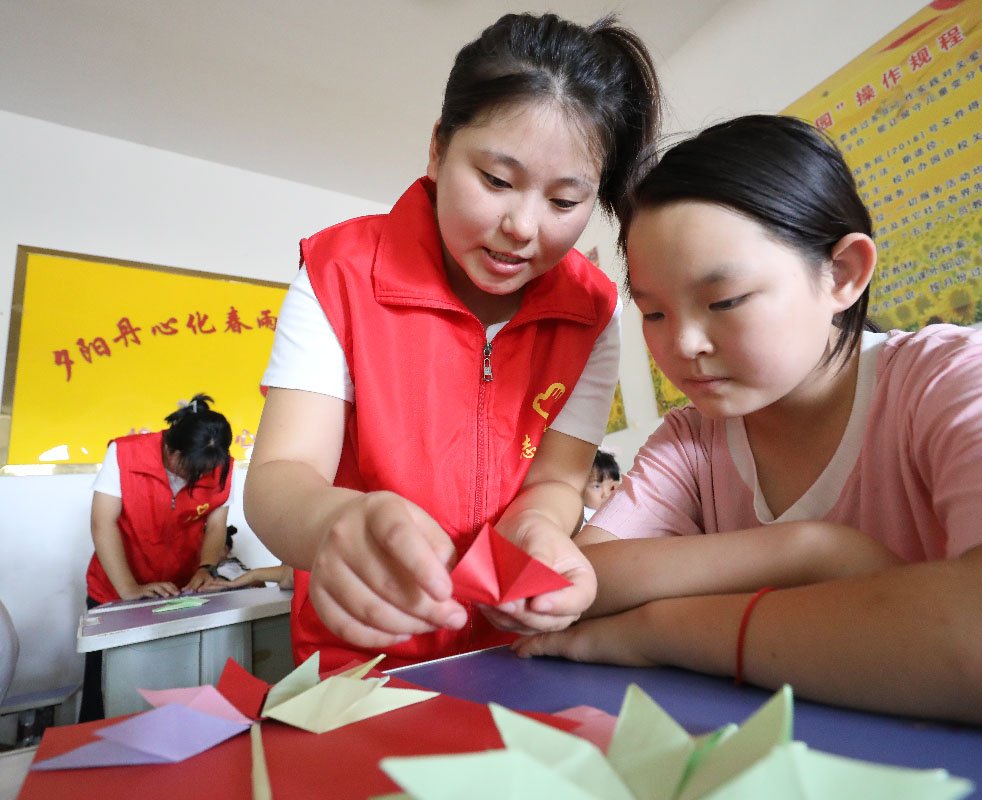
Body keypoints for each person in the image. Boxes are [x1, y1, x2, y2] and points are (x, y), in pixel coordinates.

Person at [514, 115, 982, 748]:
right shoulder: (694, 436)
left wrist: (662, 629)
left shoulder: (955, 379)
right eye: (654, 312)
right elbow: (576, 579)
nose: (683, 344)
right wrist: (812, 552)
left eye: (724, 302)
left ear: (842, 274)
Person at [245, 12, 661, 672]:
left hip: (519, 650)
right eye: (496, 181)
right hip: (360, 655)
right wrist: (335, 525)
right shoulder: (339, 273)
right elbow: (277, 480)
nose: (521, 226)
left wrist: (541, 530)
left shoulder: (591, 313)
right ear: (438, 148)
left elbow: (556, 479)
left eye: (563, 201)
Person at [81, 393, 234, 720]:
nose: (199, 475)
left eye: (207, 469)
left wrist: (206, 567)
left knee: (171, 683)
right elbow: (102, 521)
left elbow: (216, 524)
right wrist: (129, 590)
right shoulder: (125, 454)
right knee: (107, 691)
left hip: (176, 592)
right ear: (170, 449)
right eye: (191, 468)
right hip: (115, 590)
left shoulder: (219, 465)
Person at [214, 525, 295, 589]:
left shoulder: (227, 568)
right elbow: (256, 576)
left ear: (225, 549)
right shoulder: (233, 565)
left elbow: (257, 579)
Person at [581, 450, 620, 526]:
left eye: (611, 487)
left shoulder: (615, 511)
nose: (606, 494)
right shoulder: (578, 516)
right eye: (597, 486)